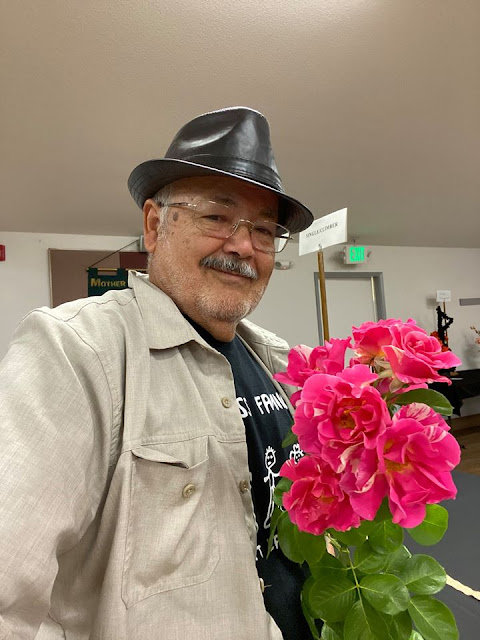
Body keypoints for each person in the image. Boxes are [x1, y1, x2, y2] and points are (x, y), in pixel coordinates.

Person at [0, 107, 314, 639]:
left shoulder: (275, 361)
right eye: (216, 217)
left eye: (265, 231)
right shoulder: (77, 352)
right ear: (154, 225)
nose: (243, 245)